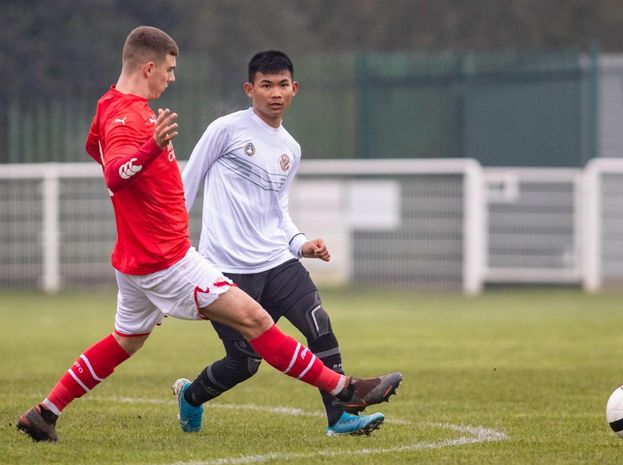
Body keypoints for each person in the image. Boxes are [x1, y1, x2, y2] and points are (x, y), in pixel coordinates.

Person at [15, 26, 402, 443]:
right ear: (149, 67)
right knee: (255, 323)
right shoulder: (133, 116)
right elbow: (115, 171)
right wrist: (149, 149)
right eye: (169, 69)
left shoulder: (110, 105)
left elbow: (98, 149)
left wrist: (139, 191)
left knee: (124, 342)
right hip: (166, 258)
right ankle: (344, 389)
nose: (172, 78)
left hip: (137, 257)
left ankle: (45, 412)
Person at [175, 51, 387, 437]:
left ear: (294, 89)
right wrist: (175, 253)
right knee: (244, 363)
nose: (275, 93)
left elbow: (278, 211)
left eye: (283, 85)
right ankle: (190, 397)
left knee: (320, 326)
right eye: (266, 85)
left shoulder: (292, 148)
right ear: (249, 88)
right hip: (226, 268)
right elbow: (185, 188)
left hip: (276, 260)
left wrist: (300, 244)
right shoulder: (224, 130)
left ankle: (340, 417)